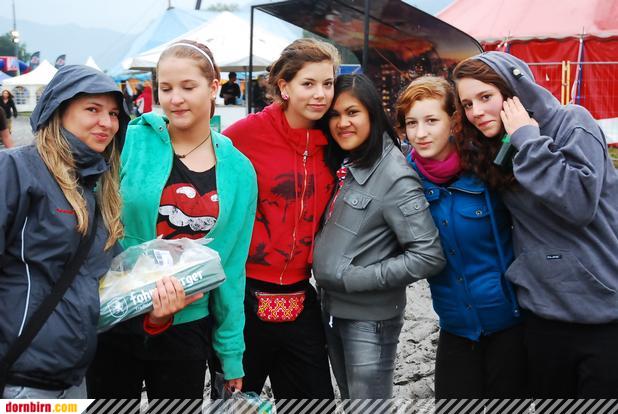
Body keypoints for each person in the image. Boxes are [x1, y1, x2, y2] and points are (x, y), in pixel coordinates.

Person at [87, 40, 257, 402]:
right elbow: (91, 215)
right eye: (166, 88)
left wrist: (231, 354)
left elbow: (231, 267)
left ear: (213, 87)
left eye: (188, 87)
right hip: (116, 313)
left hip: (187, 324)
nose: (175, 99)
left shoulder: (239, 171)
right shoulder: (131, 141)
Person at [453, 51, 618, 398]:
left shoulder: (572, 122)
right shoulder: (493, 149)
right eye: (467, 104)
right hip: (542, 315)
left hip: (603, 312)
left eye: (485, 97)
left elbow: (578, 203)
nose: (476, 111)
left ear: (515, 93)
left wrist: (527, 138)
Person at [0, 65, 133, 398]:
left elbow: (106, 284)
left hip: (71, 380)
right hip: (21, 382)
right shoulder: (16, 169)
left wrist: (157, 300)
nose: (107, 123)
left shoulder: (94, 190)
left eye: (114, 114)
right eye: (93, 109)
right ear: (58, 110)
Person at [313, 73, 445, 401]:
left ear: (372, 113)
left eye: (353, 112)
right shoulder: (348, 163)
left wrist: (355, 278)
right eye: (334, 115)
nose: (342, 123)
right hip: (334, 309)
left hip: (370, 319)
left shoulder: (394, 175)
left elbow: (428, 255)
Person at [222, 38, 339, 400]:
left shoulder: (334, 137)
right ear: (285, 87)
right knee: (236, 404)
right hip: (243, 295)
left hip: (303, 293)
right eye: (309, 83)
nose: (320, 94)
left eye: (328, 83)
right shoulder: (245, 134)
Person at [396, 75, 526, 399]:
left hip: (508, 323)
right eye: (411, 123)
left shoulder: (486, 167)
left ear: (453, 120)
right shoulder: (403, 182)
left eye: (431, 120)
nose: (420, 133)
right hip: (455, 327)